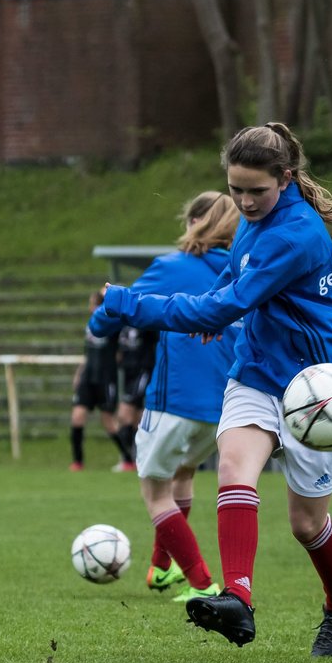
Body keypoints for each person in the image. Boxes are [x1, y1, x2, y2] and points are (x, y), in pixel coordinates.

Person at [94, 123, 332, 657]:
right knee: (235, 470)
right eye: (235, 189)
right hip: (258, 371)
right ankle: (237, 597)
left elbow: (226, 305)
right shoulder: (251, 220)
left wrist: (132, 303)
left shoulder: (295, 235)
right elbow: (230, 287)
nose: (243, 201)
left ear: (285, 179)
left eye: (256, 191)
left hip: (318, 385)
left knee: (306, 524)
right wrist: (218, 304)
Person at [91, 191, 240, 603]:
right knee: (184, 473)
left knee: (154, 492)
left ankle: (202, 583)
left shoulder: (175, 266)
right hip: (224, 407)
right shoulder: (244, 271)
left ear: (195, 223)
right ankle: (160, 568)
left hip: (174, 400)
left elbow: (121, 307)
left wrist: (98, 321)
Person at [70, 288, 135, 472]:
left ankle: (128, 459)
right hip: (88, 376)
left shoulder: (112, 324)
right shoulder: (89, 325)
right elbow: (87, 351)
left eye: (92, 303)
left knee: (108, 420)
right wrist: (79, 372)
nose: (90, 307)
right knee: (77, 416)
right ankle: (77, 462)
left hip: (106, 377)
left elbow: (122, 350)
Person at [110, 324, 157, 472]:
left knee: (124, 414)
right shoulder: (123, 322)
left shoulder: (147, 322)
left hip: (142, 370)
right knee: (137, 417)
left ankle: (127, 459)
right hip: (128, 372)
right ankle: (137, 458)